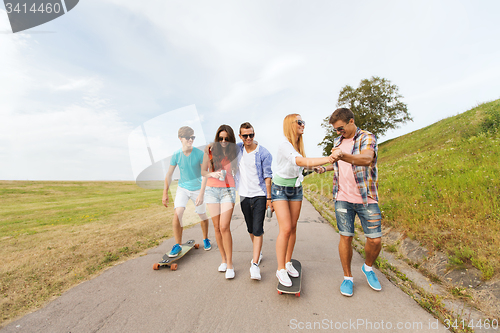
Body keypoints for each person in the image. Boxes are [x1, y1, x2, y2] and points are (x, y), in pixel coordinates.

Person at [315, 107, 382, 297]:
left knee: (375, 240)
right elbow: (338, 163)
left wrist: (342, 155)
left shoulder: (367, 137)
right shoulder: (338, 141)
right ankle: (347, 277)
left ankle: (368, 268)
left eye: (341, 128)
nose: (338, 133)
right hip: (342, 197)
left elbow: (367, 159)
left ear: (351, 122)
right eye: (336, 130)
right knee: (345, 237)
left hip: (365, 197)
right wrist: (326, 168)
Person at [273, 114, 335, 287]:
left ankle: (287, 262)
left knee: (293, 227)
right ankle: (280, 269)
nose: (303, 125)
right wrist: (329, 158)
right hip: (280, 189)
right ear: (290, 125)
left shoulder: (297, 145)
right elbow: (299, 160)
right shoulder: (284, 144)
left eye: (304, 122)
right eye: (299, 122)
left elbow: (300, 164)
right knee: (285, 228)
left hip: (296, 188)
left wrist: (315, 166)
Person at [162, 126, 211, 258]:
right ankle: (177, 245)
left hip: (197, 188)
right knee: (178, 213)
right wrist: (165, 192)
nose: (191, 140)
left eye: (192, 137)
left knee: (202, 215)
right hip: (182, 188)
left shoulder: (200, 154)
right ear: (180, 139)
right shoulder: (176, 154)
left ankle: (206, 238)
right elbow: (169, 174)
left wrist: (201, 193)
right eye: (188, 137)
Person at [236, 122, 273, 281]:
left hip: (259, 195)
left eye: (251, 135)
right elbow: (221, 146)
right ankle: (258, 252)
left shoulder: (263, 153)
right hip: (244, 196)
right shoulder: (238, 149)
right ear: (240, 137)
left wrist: (269, 198)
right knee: (250, 228)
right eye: (245, 136)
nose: (249, 138)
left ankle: (255, 264)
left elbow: (267, 176)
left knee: (258, 228)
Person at [201, 125, 238, 279]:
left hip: (228, 191)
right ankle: (223, 259)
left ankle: (230, 264)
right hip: (212, 191)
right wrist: (213, 174)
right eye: (221, 138)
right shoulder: (210, 151)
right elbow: (203, 171)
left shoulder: (235, 151)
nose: (223, 141)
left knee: (224, 227)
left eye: (226, 139)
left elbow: (248, 143)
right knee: (216, 227)